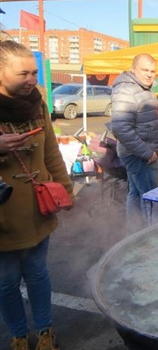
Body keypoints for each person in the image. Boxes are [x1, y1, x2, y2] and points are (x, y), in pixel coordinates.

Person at [0, 38, 73, 350]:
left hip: (38, 206)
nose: (32, 80)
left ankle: (44, 331)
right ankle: (18, 334)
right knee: (5, 282)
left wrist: (66, 190)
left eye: (34, 72)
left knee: (38, 274)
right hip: (2, 216)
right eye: (23, 74)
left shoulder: (38, 105)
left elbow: (52, 153)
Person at [111, 53, 158, 234]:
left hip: (138, 152)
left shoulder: (143, 89)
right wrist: (147, 154)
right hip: (140, 155)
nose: (149, 74)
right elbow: (121, 129)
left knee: (136, 194)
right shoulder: (126, 90)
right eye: (145, 70)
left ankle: (134, 232)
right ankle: (151, 237)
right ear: (133, 69)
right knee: (150, 198)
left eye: (153, 71)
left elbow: (144, 120)